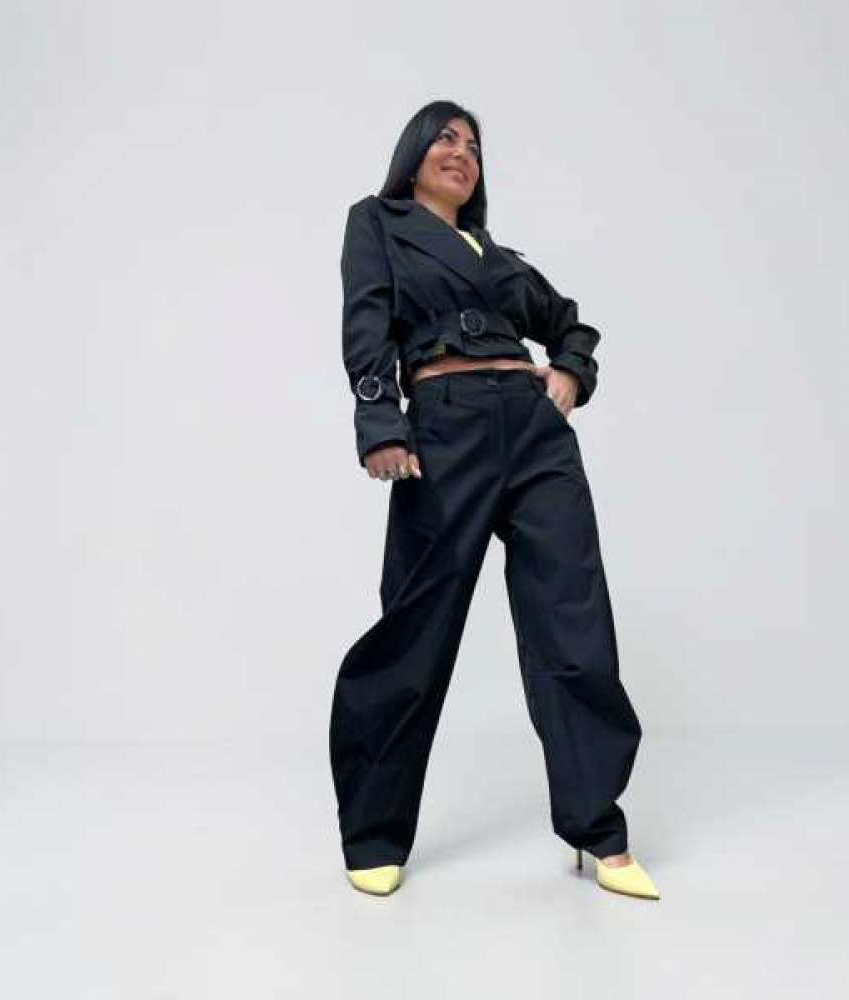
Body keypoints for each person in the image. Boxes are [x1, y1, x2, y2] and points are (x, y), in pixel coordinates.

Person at [329, 100, 659, 901]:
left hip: (536, 433)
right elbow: (366, 326)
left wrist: (569, 372)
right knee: (417, 626)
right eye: (445, 138)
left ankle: (598, 831)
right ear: (412, 154)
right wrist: (380, 422)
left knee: (573, 622)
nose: (461, 152)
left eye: (473, 146)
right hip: (445, 428)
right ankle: (374, 832)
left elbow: (570, 325)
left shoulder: (502, 259)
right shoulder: (377, 222)